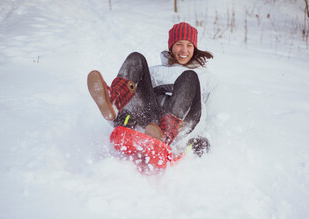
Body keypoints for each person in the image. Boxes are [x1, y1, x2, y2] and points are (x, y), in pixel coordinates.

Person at [87, 22, 215, 156]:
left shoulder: (206, 77)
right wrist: (124, 118)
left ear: (194, 48)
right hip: (153, 123)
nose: (184, 50)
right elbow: (138, 98)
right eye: (179, 44)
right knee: (136, 58)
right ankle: (114, 104)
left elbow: (216, 116)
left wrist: (206, 137)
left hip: (184, 124)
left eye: (189, 45)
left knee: (189, 77)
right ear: (171, 46)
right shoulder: (154, 72)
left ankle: (165, 136)